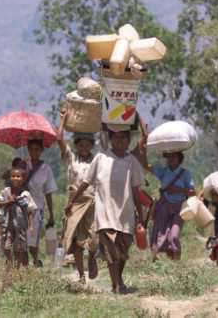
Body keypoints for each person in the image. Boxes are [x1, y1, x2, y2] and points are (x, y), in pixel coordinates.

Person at [66, 128, 145, 294]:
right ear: (110, 139)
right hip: (104, 213)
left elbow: (136, 191)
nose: (120, 141)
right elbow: (86, 182)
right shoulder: (101, 158)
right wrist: (72, 201)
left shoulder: (132, 162)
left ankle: (118, 279)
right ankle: (116, 284)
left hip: (125, 214)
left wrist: (141, 215)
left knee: (122, 253)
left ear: (128, 140)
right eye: (116, 137)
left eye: (124, 138)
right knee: (111, 252)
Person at [56, 110, 98, 284]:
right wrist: (63, 121)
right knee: (76, 241)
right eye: (81, 145)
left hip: (92, 202)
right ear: (77, 145)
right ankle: (81, 276)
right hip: (74, 203)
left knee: (94, 237)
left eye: (87, 145)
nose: (84, 148)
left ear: (91, 145)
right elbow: (59, 139)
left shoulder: (97, 160)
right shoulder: (71, 159)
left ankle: (94, 256)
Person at [143, 151, 196, 261]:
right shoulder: (163, 172)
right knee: (159, 233)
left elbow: (192, 192)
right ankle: (155, 261)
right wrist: (143, 148)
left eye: (174, 157)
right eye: (169, 157)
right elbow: (145, 165)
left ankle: (175, 261)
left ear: (179, 159)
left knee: (174, 236)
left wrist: (178, 190)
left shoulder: (185, 173)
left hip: (179, 208)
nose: (171, 159)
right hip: (164, 205)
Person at [24, 139, 58, 267]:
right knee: (21, 239)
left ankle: (36, 261)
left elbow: (48, 192)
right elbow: (11, 180)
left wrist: (51, 214)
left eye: (37, 149)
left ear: (41, 151)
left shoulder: (46, 168)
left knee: (32, 241)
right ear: (28, 150)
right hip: (21, 208)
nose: (34, 152)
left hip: (37, 209)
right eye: (31, 149)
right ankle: (23, 264)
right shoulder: (22, 165)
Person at [0, 167, 37, 270]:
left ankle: (17, 268)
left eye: (18, 176)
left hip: (21, 225)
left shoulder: (25, 194)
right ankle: (9, 262)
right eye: (13, 176)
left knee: (20, 248)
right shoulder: (6, 192)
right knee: (6, 246)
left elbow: (30, 210)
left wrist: (31, 226)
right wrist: (7, 203)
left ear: (23, 179)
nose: (15, 178)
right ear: (10, 178)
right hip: (7, 224)